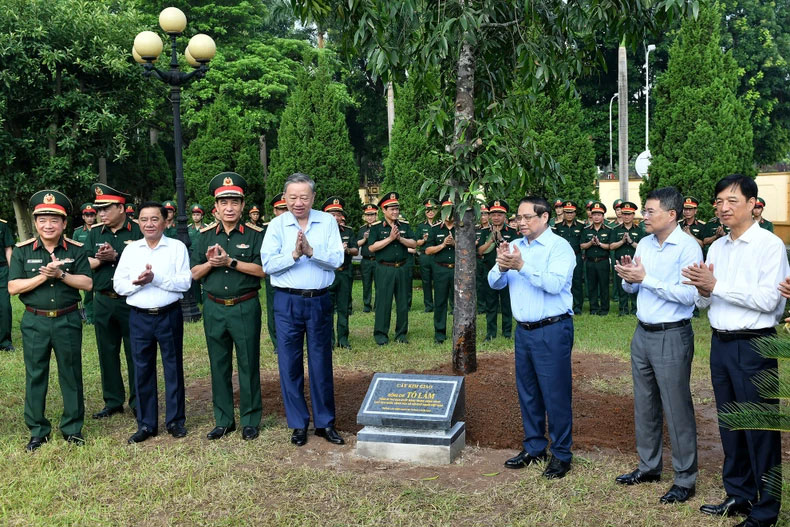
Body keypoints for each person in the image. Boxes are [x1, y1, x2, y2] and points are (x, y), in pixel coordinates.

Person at [682, 174, 788, 527]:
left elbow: (769, 299)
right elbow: (705, 301)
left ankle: (767, 508)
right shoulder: (717, 247)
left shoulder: (769, 246)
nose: (723, 208)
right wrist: (702, 289)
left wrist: (718, 286)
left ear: (753, 205)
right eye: (719, 201)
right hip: (721, 343)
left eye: (731, 201)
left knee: (760, 431)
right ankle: (739, 494)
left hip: (756, 345)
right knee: (730, 424)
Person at [613, 187, 702, 505]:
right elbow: (634, 287)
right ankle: (649, 467)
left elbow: (690, 297)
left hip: (672, 335)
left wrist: (645, 278)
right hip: (643, 334)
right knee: (645, 404)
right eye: (645, 211)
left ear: (671, 215)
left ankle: (684, 479)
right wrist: (628, 277)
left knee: (677, 408)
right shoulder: (645, 245)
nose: (644, 216)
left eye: (650, 211)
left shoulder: (688, 248)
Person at [489, 196, 575, 479]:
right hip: (523, 331)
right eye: (518, 218)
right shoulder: (514, 247)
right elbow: (493, 281)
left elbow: (554, 284)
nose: (521, 222)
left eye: (527, 217)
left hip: (552, 329)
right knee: (528, 391)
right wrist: (502, 265)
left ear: (545, 217)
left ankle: (561, 454)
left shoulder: (559, 247)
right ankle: (534, 447)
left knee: (555, 394)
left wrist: (521, 266)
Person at [261, 172, 345, 447]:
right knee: (289, 363)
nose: (298, 202)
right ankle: (298, 423)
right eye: (293, 197)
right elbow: (268, 265)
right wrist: (294, 254)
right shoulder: (276, 225)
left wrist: (311, 251)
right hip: (287, 301)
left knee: (321, 361)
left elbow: (336, 259)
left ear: (313, 198)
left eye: (304, 197)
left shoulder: (328, 221)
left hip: (318, 300)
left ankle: (325, 422)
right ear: (284, 198)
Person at [9, 190, 93, 451]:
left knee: (71, 373)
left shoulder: (76, 250)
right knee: (36, 375)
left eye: (54, 220)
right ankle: (37, 430)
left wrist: (61, 275)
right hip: (35, 322)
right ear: (35, 223)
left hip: (67, 319)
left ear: (64, 224)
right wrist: (43, 277)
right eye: (43, 219)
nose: (48, 225)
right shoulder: (23, 251)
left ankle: (72, 428)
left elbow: (88, 283)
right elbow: (13, 286)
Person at [191, 172, 265, 441]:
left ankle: (250, 419)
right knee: (218, 364)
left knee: (248, 363)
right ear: (216, 208)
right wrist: (212, 264)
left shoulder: (256, 234)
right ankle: (223, 420)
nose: (230, 208)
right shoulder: (205, 235)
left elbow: (263, 270)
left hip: (244, 307)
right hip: (214, 308)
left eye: (235, 202)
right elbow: (194, 273)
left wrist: (231, 262)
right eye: (224, 203)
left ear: (243, 206)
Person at [113, 202, 192, 444]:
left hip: (168, 314)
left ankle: (175, 420)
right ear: (137, 222)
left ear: (165, 221)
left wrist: (155, 279)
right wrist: (137, 283)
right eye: (144, 219)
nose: (149, 224)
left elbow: (184, 283)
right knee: (142, 369)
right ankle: (147, 424)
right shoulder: (131, 250)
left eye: (154, 219)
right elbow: (118, 283)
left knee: (173, 367)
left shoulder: (177, 247)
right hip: (139, 317)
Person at [85, 183, 141, 420]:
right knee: (106, 351)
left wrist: (116, 257)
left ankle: (139, 400)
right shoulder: (95, 233)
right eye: (99, 210)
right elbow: (84, 264)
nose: (102, 214)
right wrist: (100, 260)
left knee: (135, 352)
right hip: (103, 299)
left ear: (122, 208)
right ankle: (113, 401)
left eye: (107, 208)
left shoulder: (138, 231)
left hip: (131, 300)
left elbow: (146, 264)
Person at [368, 192, 417, 345]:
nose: (395, 212)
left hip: (402, 267)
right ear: (384, 210)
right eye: (392, 209)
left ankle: (401, 334)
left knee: (402, 303)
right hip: (384, 269)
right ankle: (381, 335)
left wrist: (400, 238)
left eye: (397, 209)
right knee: (384, 302)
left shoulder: (405, 226)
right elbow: (372, 247)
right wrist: (389, 239)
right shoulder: (376, 228)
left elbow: (414, 243)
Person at [477, 199, 520, 340]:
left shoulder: (513, 232)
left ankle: (507, 332)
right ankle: (491, 333)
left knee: (507, 303)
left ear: (505, 216)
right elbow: (480, 252)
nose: (496, 217)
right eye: (493, 214)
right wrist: (490, 240)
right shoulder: (484, 232)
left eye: (499, 214)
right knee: (490, 303)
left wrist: (501, 240)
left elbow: (515, 250)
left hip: (508, 273)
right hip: (489, 271)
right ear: (489, 216)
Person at [323, 197, 358, 349]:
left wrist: (347, 250)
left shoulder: (348, 231)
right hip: (329, 274)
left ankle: (343, 340)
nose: (336, 217)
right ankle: (329, 340)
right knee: (327, 309)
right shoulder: (321, 233)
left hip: (344, 273)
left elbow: (356, 249)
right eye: (332, 214)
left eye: (338, 214)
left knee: (344, 308)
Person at [424, 199, 456, 344]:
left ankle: (460, 332)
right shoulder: (435, 229)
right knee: (440, 302)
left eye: (451, 210)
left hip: (458, 270)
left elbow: (469, 250)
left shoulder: (462, 228)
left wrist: (455, 243)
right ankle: (440, 334)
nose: (448, 213)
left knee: (460, 303)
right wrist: (443, 245)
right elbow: (428, 250)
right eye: (446, 210)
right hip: (441, 269)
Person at [263, 193, 288, 352]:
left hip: (292, 273)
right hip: (273, 272)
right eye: (280, 209)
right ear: (274, 211)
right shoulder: (266, 228)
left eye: (286, 209)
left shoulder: (298, 226)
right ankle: (277, 342)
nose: (284, 212)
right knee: (273, 308)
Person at [610, 201, 645, 316]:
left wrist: (630, 242)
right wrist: (622, 241)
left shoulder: (639, 230)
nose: (626, 216)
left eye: (629, 214)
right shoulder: (615, 230)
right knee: (621, 287)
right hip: (620, 262)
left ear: (633, 215)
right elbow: (612, 246)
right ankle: (623, 309)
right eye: (624, 214)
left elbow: (642, 247)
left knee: (635, 285)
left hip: (635, 262)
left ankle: (635, 309)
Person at [552, 201, 585, 315]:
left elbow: (583, 242)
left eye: (571, 212)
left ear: (575, 213)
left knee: (577, 282)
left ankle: (577, 307)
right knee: (562, 282)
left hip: (577, 256)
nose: (569, 214)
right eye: (567, 212)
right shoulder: (557, 226)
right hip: (562, 258)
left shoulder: (581, 226)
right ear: (564, 213)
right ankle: (563, 306)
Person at [580, 202, 612, 315]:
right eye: (594, 214)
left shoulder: (608, 230)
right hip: (590, 262)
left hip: (603, 261)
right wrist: (590, 243)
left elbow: (610, 246)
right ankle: (593, 308)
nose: (597, 217)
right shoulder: (586, 230)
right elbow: (582, 245)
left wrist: (599, 244)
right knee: (592, 286)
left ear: (603, 216)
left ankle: (604, 309)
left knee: (604, 286)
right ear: (591, 216)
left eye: (599, 214)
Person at [71, 203, 97, 326]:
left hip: (100, 265)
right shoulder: (78, 232)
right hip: (85, 266)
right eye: (87, 215)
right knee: (88, 293)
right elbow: (74, 250)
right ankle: (90, 316)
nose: (90, 218)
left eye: (92, 215)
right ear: (83, 217)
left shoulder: (101, 230)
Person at [415, 199, 441, 313]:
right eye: (428, 210)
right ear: (425, 212)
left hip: (437, 256)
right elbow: (416, 243)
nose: (430, 212)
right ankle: (428, 305)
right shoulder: (421, 226)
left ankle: (440, 304)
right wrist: (423, 240)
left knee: (439, 281)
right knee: (426, 281)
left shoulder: (441, 224)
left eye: (433, 210)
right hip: (425, 256)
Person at [356, 203, 379, 313]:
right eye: (367, 215)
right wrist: (364, 238)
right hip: (365, 260)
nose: (369, 217)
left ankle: (378, 305)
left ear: (376, 215)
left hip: (378, 260)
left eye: (372, 215)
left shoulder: (381, 227)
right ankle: (366, 305)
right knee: (366, 283)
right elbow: (357, 245)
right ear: (365, 216)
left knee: (379, 284)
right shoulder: (362, 229)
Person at [187, 203, 207, 305]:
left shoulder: (206, 228)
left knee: (204, 278)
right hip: (191, 255)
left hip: (203, 256)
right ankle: (197, 300)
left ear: (202, 216)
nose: (196, 216)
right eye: (194, 214)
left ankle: (205, 300)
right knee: (194, 279)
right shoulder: (188, 228)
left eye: (198, 214)